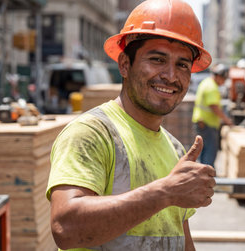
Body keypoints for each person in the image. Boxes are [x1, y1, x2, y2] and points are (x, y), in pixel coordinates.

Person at [46, 1, 215, 250]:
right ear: (125, 64)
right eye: (157, 59)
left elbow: (181, 239)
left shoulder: (176, 150)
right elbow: (65, 227)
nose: (170, 75)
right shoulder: (92, 133)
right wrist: (164, 192)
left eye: (182, 65)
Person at [192, 64, 233, 166]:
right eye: (223, 79)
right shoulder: (212, 88)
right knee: (210, 152)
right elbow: (214, 107)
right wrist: (226, 120)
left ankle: (201, 175)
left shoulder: (206, 82)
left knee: (203, 150)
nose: (223, 82)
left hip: (202, 121)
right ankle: (207, 175)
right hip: (207, 124)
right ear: (218, 76)